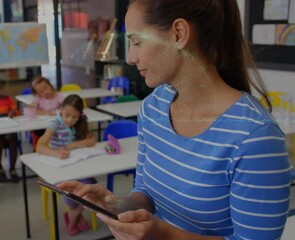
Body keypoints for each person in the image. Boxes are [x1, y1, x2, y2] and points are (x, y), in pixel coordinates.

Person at [59, 1, 291, 239]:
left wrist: (165, 235)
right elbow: (146, 193)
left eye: (137, 42)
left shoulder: (255, 137)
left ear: (178, 34)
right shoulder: (153, 108)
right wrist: (114, 203)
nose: (130, 57)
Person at [37, 94, 96, 236]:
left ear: (80, 115)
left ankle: (73, 215)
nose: (70, 120)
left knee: (91, 189)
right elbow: (40, 147)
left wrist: (74, 145)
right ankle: (75, 217)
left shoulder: (80, 122)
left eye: (74, 117)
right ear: (61, 109)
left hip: (77, 167)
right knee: (82, 190)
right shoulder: (55, 123)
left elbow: (91, 141)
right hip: (60, 170)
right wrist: (56, 153)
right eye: (67, 115)